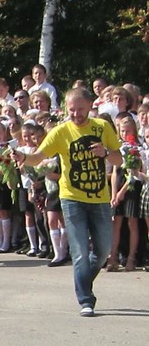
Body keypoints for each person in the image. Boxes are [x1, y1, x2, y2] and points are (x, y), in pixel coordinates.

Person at [13, 88, 123, 317]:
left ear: (90, 106)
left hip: (99, 199)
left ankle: (83, 280)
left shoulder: (102, 128)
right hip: (72, 198)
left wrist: (104, 153)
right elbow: (38, 157)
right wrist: (24, 158)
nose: (76, 114)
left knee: (102, 252)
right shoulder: (61, 132)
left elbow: (119, 158)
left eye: (80, 109)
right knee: (80, 251)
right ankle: (85, 299)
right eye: (71, 110)